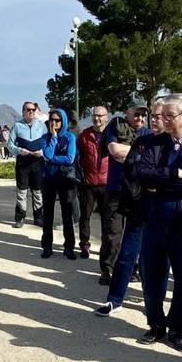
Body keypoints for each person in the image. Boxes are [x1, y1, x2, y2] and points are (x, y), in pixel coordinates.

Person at [130, 93, 182, 352]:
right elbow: (141, 174)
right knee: (152, 276)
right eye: (162, 116)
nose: (163, 121)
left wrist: (161, 183)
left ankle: (178, 329)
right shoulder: (155, 143)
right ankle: (155, 325)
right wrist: (174, 173)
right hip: (155, 220)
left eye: (170, 116)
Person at [94, 99, 166, 317]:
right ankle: (114, 300)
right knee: (126, 252)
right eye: (151, 115)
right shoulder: (141, 139)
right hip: (136, 202)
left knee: (154, 260)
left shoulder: (172, 143)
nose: (151, 120)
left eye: (156, 116)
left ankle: (154, 305)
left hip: (162, 208)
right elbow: (119, 153)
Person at [97, 105, 152, 284]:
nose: (140, 118)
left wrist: (128, 152)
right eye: (136, 114)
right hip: (116, 189)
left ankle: (131, 268)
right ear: (127, 113)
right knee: (113, 231)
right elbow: (114, 150)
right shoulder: (116, 126)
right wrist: (138, 153)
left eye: (143, 115)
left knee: (135, 233)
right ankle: (107, 268)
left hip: (138, 191)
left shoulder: (148, 134)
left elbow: (150, 157)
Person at [40, 108, 78, 259]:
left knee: (67, 213)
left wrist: (52, 159)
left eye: (57, 120)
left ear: (63, 121)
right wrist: (54, 138)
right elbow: (47, 155)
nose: (54, 123)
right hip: (48, 179)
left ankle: (69, 247)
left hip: (65, 179)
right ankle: (47, 246)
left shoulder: (70, 137)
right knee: (47, 214)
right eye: (52, 120)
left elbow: (70, 158)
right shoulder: (45, 138)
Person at [7, 102, 47, 227]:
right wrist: (19, 151)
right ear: (23, 111)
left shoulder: (42, 126)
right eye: (28, 109)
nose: (31, 112)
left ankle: (39, 217)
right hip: (22, 164)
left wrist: (42, 152)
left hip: (37, 163)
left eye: (33, 109)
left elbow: (48, 143)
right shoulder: (17, 126)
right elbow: (10, 145)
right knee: (22, 192)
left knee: (38, 192)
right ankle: (20, 218)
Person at [77, 106, 110, 259]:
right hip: (88, 183)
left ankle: (106, 245)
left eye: (100, 116)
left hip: (106, 183)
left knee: (106, 217)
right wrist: (81, 176)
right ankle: (84, 244)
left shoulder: (112, 135)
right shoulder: (84, 135)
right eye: (95, 115)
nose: (97, 119)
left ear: (106, 117)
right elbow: (78, 157)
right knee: (85, 215)